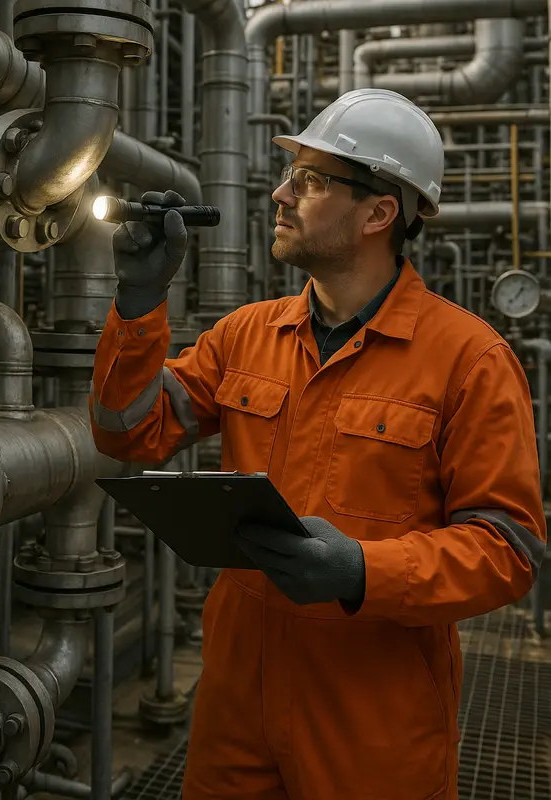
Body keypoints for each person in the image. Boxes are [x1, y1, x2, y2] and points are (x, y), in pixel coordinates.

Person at [89, 88, 546, 800]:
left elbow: (508, 549)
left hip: (371, 708)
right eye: (288, 175)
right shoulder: (246, 335)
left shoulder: (468, 358)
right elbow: (129, 432)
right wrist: (139, 303)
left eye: (307, 180)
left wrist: (365, 570)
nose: (278, 193)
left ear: (377, 212)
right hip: (237, 691)